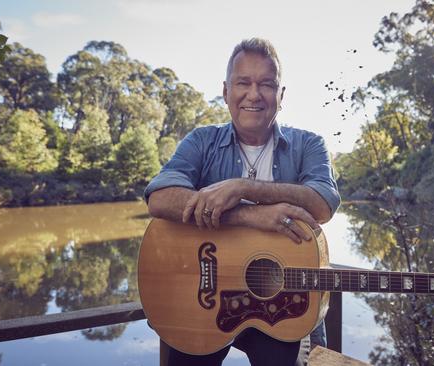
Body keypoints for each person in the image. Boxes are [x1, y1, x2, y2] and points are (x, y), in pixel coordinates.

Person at [145, 37, 340, 366]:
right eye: (243, 83)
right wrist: (250, 217)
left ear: (281, 95)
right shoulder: (201, 141)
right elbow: (160, 198)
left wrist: (243, 188)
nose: (254, 94)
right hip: (203, 305)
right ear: (225, 92)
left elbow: (322, 204)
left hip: (283, 311)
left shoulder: (309, 145)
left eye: (266, 84)